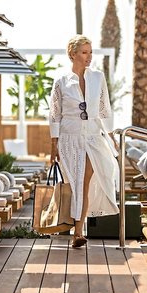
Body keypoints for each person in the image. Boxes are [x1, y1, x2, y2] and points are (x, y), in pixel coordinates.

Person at [49, 35, 119, 248]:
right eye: (84, 52)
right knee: (75, 184)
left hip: (93, 137)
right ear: (72, 54)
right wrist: (54, 144)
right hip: (69, 139)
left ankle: (78, 232)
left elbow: (104, 108)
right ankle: (74, 230)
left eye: (90, 52)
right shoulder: (61, 81)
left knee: (84, 182)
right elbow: (54, 114)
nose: (89, 57)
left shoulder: (97, 77)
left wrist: (110, 135)